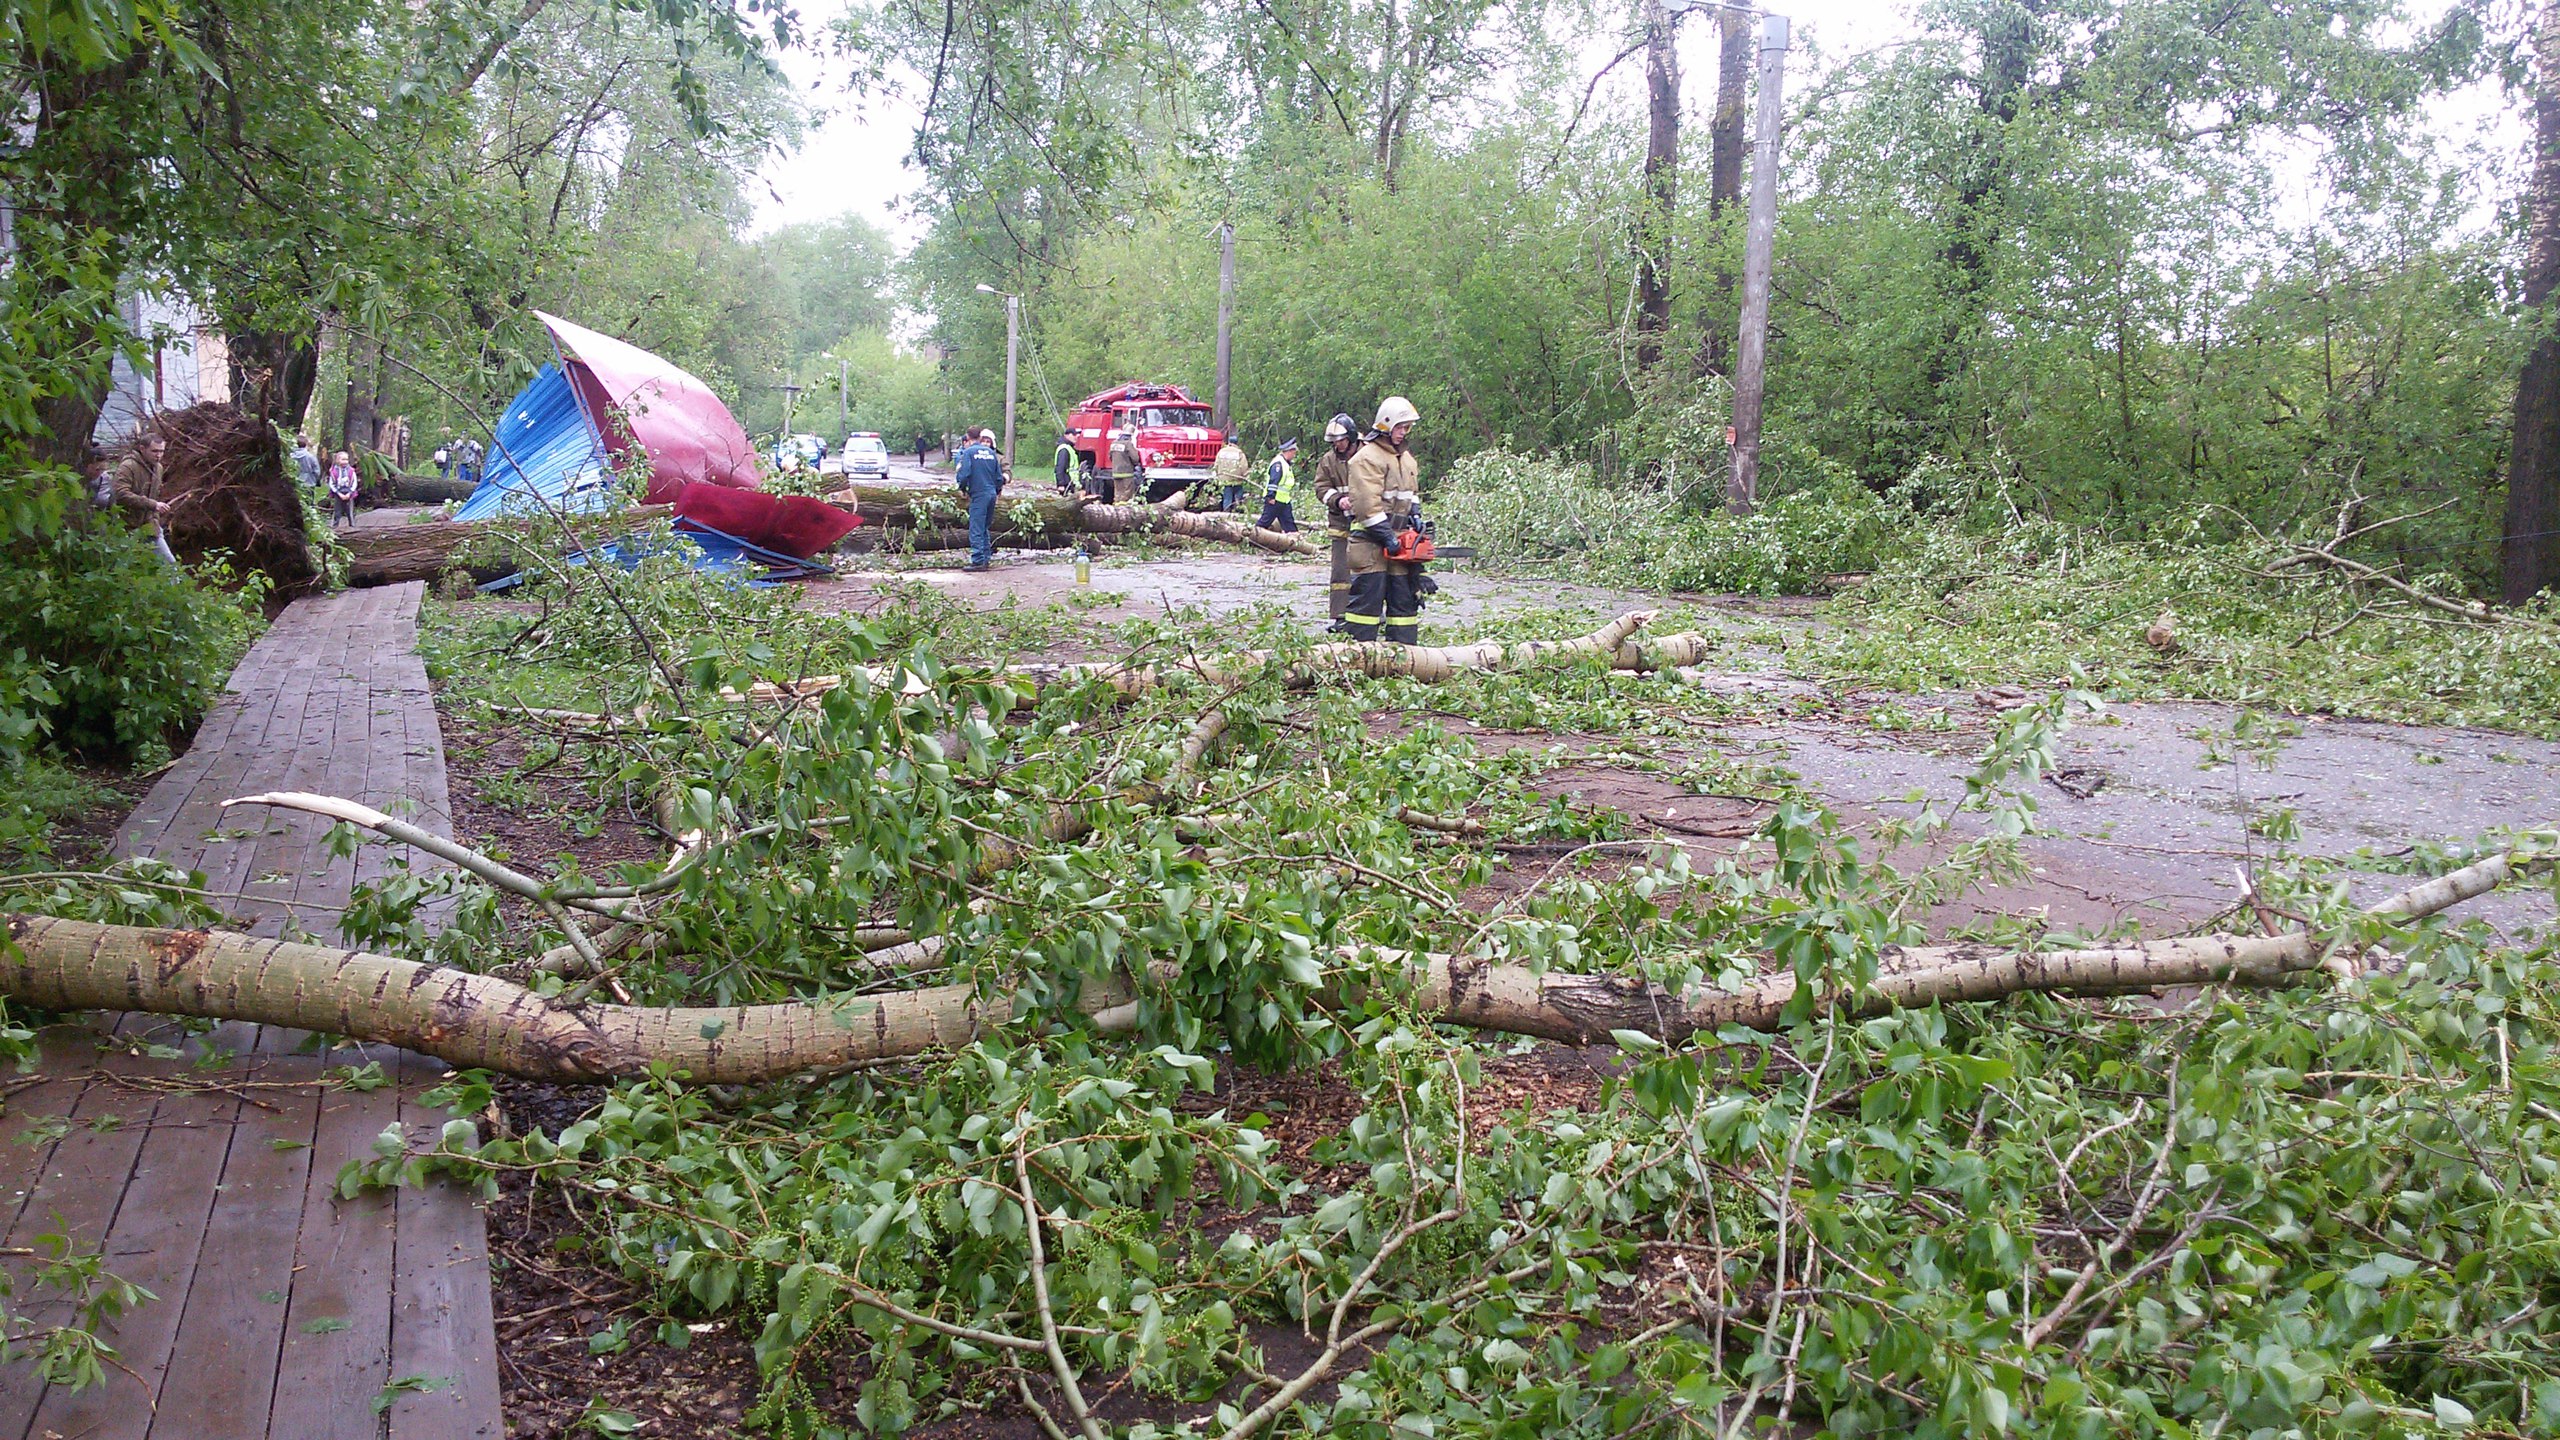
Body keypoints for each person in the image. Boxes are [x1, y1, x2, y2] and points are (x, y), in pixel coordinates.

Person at [1343, 397, 1426, 645]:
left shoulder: (1407, 460)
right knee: (1366, 606)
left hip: (1398, 543)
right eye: (1401, 427)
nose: (1404, 432)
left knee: (1404, 602)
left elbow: (1411, 494)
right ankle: (1358, 658)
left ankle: (1406, 656)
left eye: (1407, 428)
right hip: (1369, 544)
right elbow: (1367, 505)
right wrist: (1387, 536)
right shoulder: (1366, 458)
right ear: (1386, 426)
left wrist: (1416, 516)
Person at [1314, 413, 1358, 630]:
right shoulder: (1328, 461)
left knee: (1371, 570)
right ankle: (1340, 616)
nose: (1338, 445)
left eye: (1341, 441)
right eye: (1334, 442)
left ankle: (1372, 615)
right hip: (1341, 524)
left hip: (1369, 521)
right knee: (1341, 572)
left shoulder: (1368, 453)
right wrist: (1337, 500)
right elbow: (1320, 487)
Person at [955, 427, 1005, 571]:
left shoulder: (969, 453)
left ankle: (977, 560)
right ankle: (986, 558)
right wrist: (997, 491)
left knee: (976, 527)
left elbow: (964, 474)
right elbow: (999, 477)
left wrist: (963, 489)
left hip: (979, 494)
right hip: (991, 494)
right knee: (984, 528)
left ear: (968, 437)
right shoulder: (991, 453)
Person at [1257, 438, 1302, 533]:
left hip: (1283, 501)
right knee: (1265, 522)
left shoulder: (1285, 463)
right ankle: (1252, 537)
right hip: (1275, 500)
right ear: (1289, 451)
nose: (1294, 456)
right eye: (1294, 453)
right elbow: (1274, 481)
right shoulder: (1278, 464)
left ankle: (1296, 541)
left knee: (1289, 523)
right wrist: (1271, 496)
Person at [1212, 438, 1250, 512]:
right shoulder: (1239, 453)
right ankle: (1237, 511)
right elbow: (1244, 467)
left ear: (1229, 442)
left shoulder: (1221, 452)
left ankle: (1226, 514)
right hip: (1237, 480)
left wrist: (1217, 476)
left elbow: (1216, 465)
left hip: (1224, 480)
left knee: (1227, 498)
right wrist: (1246, 476)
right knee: (1238, 498)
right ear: (1237, 443)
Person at [326, 450, 361, 528]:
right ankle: (335, 525)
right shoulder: (334, 471)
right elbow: (331, 483)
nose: (345, 461)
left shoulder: (351, 471)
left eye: (346, 459)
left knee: (350, 510)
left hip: (349, 493)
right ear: (337, 460)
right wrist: (338, 493)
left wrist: (350, 492)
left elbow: (354, 482)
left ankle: (352, 525)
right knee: (337, 510)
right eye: (343, 459)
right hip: (338, 493)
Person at [1111, 424, 1140, 505]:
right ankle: (1125, 511)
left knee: (1117, 494)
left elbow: (1110, 456)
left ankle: (1116, 510)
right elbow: (1135, 458)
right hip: (1127, 473)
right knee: (1127, 495)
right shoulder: (1128, 444)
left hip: (1116, 473)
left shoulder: (1114, 443)